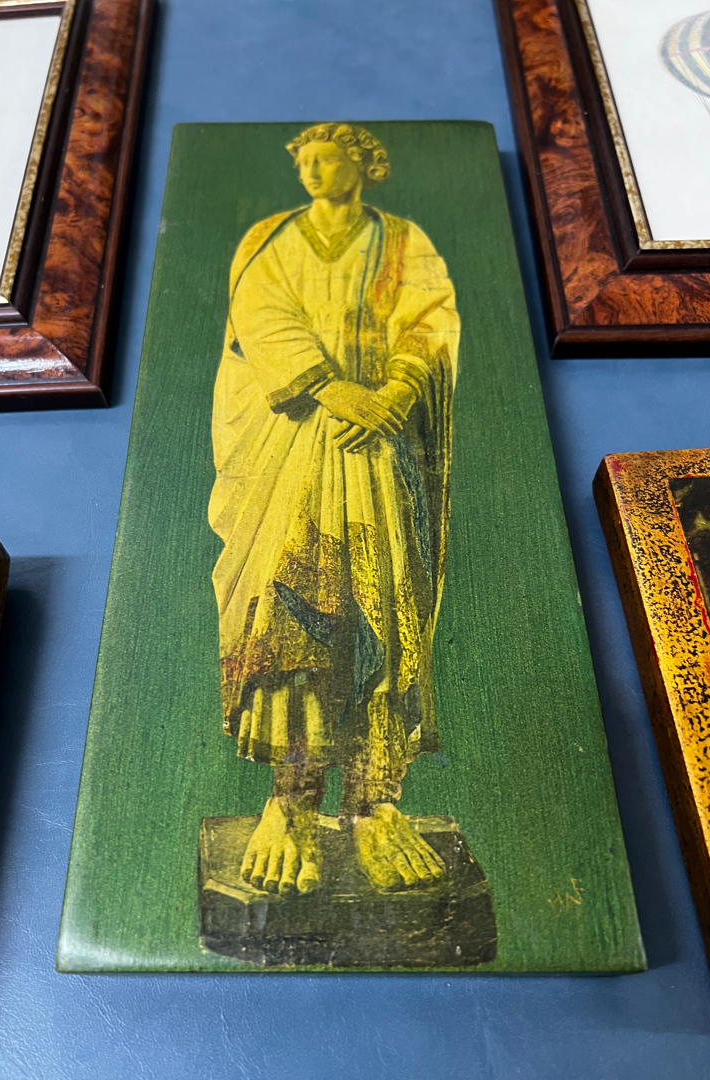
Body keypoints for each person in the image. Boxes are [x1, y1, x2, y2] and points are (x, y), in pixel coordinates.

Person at [208, 123, 460, 896]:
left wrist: (395, 393)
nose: (315, 170)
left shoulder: (402, 241)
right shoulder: (270, 238)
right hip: (291, 444)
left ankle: (374, 805)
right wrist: (330, 388)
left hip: (378, 445)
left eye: (330, 157)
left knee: (385, 616)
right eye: (306, 160)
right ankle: (290, 804)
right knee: (290, 610)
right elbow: (260, 320)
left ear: (364, 163)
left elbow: (429, 319)